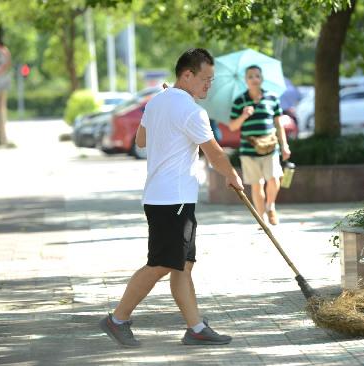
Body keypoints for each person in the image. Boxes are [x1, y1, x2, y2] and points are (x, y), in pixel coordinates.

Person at [99, 48, 244, 347]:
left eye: (211, 80)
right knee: (161, 264)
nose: (208, 86)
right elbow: (214, 152)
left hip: (165, 197)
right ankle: (117, 319)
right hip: (172, 200)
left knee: (182, 265)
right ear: (186, 75)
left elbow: (141, 140)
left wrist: (166, 109)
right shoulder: (191, 111)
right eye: (204, 79)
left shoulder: (157, 101)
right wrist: (232, 175)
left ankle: (196, 327)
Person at [228, 65, 291, 225]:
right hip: (249, 150)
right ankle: (261, 219)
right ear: (246, 80)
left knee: (274, 179)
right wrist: (243, 115)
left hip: (271, 147)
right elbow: (233, 126)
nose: (254, 79)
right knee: (257, 185)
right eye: (250, 76)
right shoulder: (239, 101)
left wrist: (284, 145)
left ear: (261, 79)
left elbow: (279, 124)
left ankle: (271, 206)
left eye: (257, 76)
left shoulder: (272, 98)